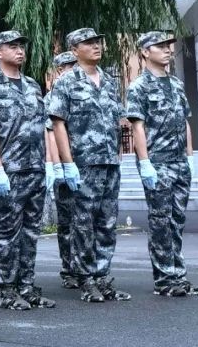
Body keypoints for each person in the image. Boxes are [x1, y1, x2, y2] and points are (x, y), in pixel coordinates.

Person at [47, 28, 130, 303]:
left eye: (98, 42)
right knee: (83, 223)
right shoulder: (66, 82)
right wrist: (67, 164)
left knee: (107, 222)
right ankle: (85, 279)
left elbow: (118, 122)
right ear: (74, 50)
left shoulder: (109, 81)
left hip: (109, 164)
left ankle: (103, 276)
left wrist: (117, 155)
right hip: (83, 164)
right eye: (89, 43)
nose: (96, 46)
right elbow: (58, 123)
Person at [0, 31, 55, 310]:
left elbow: (43, 127)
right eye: (12, 46)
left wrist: (50, 164)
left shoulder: (32, 85)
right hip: (10, 171)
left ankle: (27, 286)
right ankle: (7, 288)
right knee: (6, 233)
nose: (20, 50)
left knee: (31, 232)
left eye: (21, 46)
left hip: (35, 169)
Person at [124, 31, 198, 297]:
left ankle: (179, 275)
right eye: (160, 46)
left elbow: (185, 120)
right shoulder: (139, 87)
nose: (168, 50)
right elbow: (137, 127)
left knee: (177, 220)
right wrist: (145, 162)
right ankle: (164, 279)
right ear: (145, 52)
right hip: (157, 163)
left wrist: (190, 156)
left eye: (169, 45)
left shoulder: (176, 84)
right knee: (160, 222)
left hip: (179, 162)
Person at [47, 52, 78, 289]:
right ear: (59, 70)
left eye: (74, 65)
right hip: (65, 167)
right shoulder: (52, 96)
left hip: (87, 165)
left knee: (88, 221)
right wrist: (57, 165)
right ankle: (69, 268)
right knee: (67, 221)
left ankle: (87, 267)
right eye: (66, 66)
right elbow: (50, 133)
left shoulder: (83, 91)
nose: (71, 69)